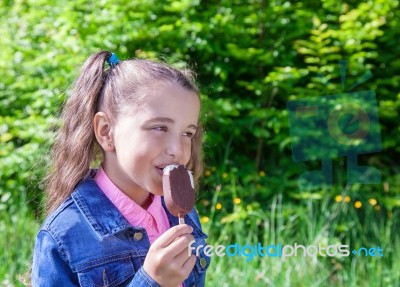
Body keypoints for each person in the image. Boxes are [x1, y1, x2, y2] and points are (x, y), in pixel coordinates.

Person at [31, 51, 210, 287]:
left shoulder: (183, 214)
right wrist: (152, 282)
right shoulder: (65, 236)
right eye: (159, 128)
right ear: (106, 131)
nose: (177, 149)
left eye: (187, 133)